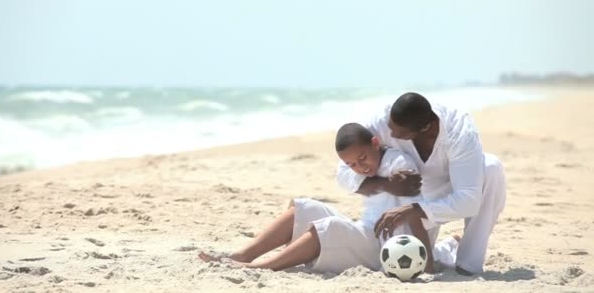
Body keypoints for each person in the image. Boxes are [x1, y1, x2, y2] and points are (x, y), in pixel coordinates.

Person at [199, 122, 450, 274]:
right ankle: (243, 256)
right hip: (365, 231)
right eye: (352, 164)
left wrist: (425, 262)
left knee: (331, 227)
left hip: (387, 248)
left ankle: (261, 268)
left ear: (375, 143)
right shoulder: (367, 173)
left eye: (363, 158)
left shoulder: (400, 164)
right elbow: (354, 181)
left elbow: (417, 210)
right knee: (303, 206)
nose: (360, 167)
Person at [337, 92, 507, 275]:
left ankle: (468, 264)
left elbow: (469, 201)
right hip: (409, 195)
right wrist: (386, 184)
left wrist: (417, 209)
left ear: (427, 128)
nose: (391, 134)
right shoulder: (384, 123)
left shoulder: (460, 131)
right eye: (390, 127)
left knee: (491, 167)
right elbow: (343, 174)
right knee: (412, 254)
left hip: (448, 193)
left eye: (399, 133)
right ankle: (449, 246)